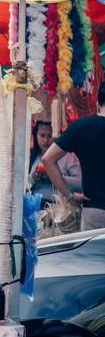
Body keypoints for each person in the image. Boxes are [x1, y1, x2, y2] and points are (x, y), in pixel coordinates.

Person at [41, 85, 105, 230]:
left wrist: (69, 196)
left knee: (92, 253)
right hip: (95, 211)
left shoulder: (81, 127)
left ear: (97, 104)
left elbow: (48, 159)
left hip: (96, 212)